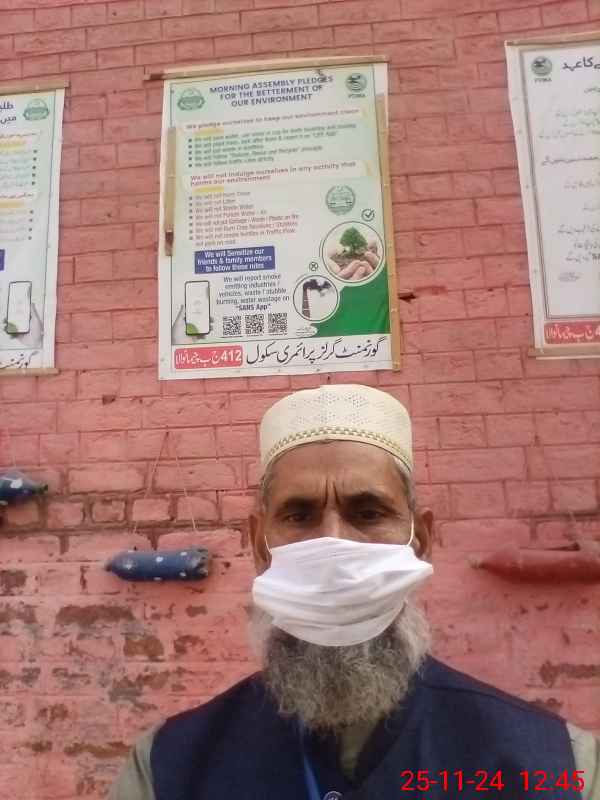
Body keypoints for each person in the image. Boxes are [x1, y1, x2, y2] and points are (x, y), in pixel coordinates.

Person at [110, 384, 600, 800]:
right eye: (299, 515)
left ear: (421, 539)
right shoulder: (168, 768)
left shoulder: (556, 765)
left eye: (367, 513)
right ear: (259, 544)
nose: (335, 545)